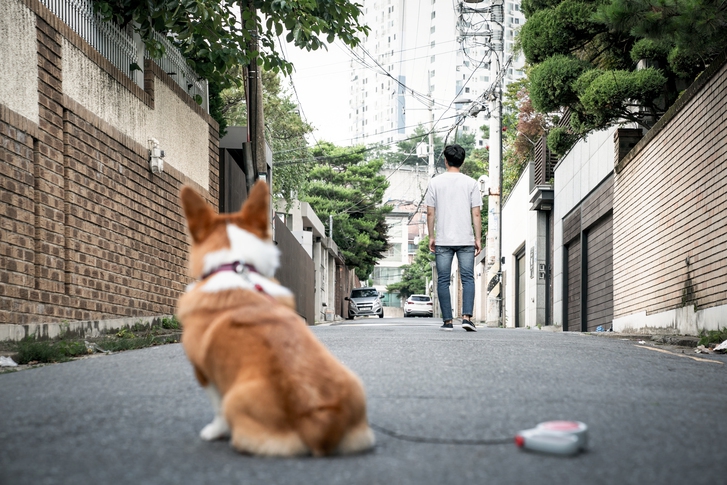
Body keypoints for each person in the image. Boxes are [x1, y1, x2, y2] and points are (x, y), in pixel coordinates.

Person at [425, 144, 482, 331]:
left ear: (445, 160)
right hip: (465, 238)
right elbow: (476, 214)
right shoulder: (472, 183)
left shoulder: (435, 183)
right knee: (468, 279)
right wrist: (478, 239)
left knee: (443, 280)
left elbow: (430, 213)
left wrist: (431, 236)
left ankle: (448, 321)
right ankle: (466, 318)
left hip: (443, 239)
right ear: (462, 161)